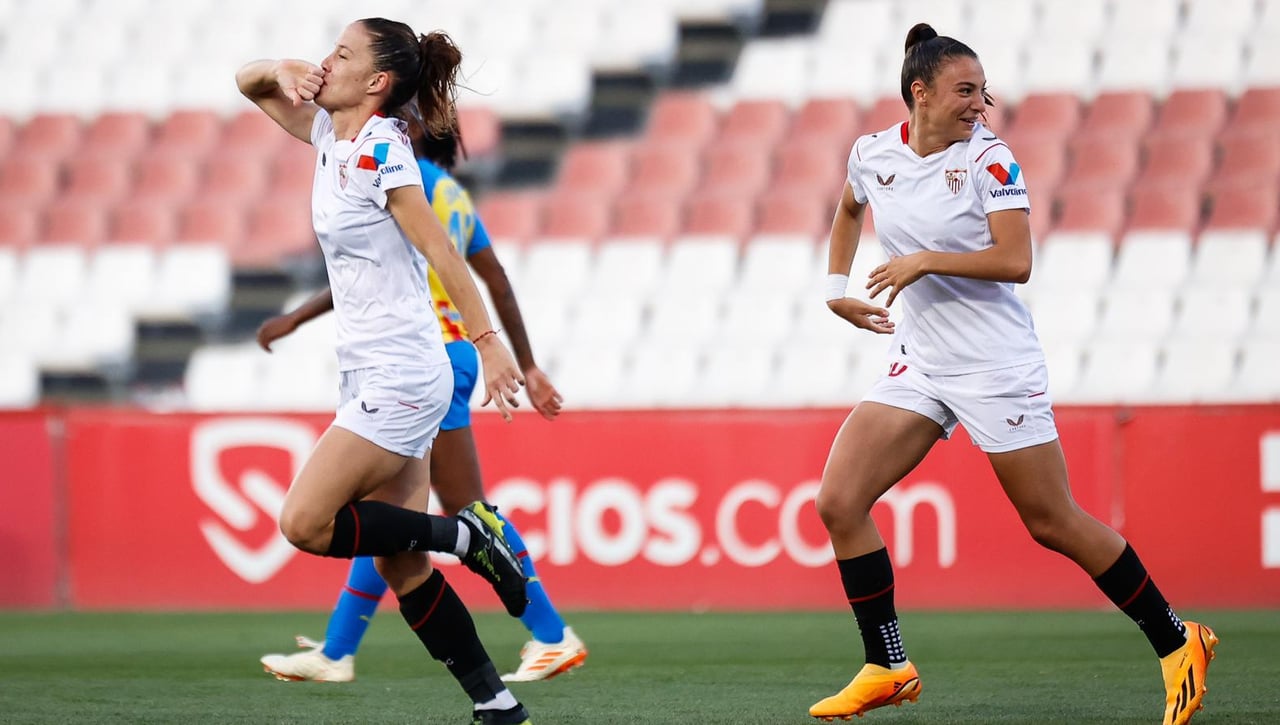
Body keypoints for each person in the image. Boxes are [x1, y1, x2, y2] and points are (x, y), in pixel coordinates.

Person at [807, 23, 1216, 725]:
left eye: (982, 91)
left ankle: (1179, 638)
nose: (980, 103)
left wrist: (925, 258)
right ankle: (887, 663)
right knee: (839, 501)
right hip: (923, 359)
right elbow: (849, 207)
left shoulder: (992, 160)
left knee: (1051, 520)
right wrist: (836, 287)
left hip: (996, 364)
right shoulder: (873, 154)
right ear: (920, 92)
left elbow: (1016, 260)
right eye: (965, 91)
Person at [236, 19, 535, 725]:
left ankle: (467, 535)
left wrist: (490, 343)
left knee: (304, 521)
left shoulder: (382, 151)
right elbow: (246, 83)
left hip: (401, 372)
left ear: (376, 82)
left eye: (342, 54)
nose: (326, 60)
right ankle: (497, 701)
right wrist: (284, 68)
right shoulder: (325, 134)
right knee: (404, 564)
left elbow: (443, 254)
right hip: (372, 369)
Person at [256, 123, 587, 684]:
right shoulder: (453, 194)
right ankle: (337, 650)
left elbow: (371, 269)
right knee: (391, 517)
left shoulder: (407, 180)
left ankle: (552, 634)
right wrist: (525, 363)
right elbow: (497, 281)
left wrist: (294, 317)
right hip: (446, 354)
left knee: (467, 511)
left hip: (424, 356)